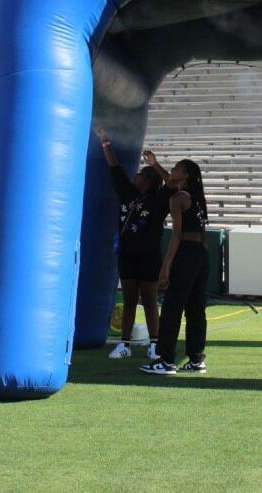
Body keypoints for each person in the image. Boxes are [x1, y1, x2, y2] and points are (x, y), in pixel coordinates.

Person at [98, 131, 173, 360]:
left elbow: (171, 183)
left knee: (150, 301)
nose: (136, 176)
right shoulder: (127, 193)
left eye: (141, 174)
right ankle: (125, 344)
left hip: (149, 257)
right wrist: (105, 142)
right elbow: (115, 168)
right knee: (130, 301)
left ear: (148, 181)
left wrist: (155, 164)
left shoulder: (159, 201)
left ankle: (155, 344)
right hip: (127, 256)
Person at [140, 151, 210, 375]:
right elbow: (170, 180)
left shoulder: (177, 198)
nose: (172, 170)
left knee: (172, 307)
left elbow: (177, 235)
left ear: (185, 174)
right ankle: (197, 359)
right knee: (196, 308)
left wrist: (166, 266)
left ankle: (166, 360)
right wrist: (155, 164)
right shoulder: (196, 197)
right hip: (201, 254)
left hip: (186, 253)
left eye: (177, 167)